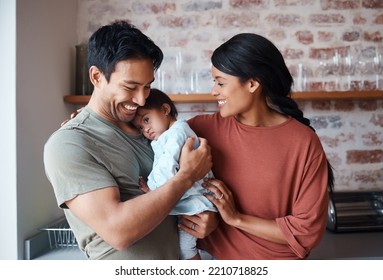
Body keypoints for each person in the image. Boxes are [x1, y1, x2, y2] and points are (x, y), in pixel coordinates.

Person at [43, 20, 217, 260]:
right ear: (96, 76)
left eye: (147, 87)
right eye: (130, 87)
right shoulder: (69, 144)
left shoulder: (147, 127)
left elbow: (178, 203)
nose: (141, 99)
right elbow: (119, 231)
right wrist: (186, 176)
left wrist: (208, 218)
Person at [183, 33, 335, 260]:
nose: (213, 91)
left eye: (221, 82)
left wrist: (236, 218)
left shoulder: (303, 142)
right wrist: (198, 219)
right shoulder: (197, 131)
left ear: (253, 83)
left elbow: (307, 232)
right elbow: (168, 185)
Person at [132, 88, 217, 260]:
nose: (145, 130)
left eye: (147, 120)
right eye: (140, 127)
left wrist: (152, 191)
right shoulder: (166, 136)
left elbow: (167, 166)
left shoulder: (177, 133)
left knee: (186, 249)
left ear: (165, 110)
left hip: (197, 202)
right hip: (189, 199)